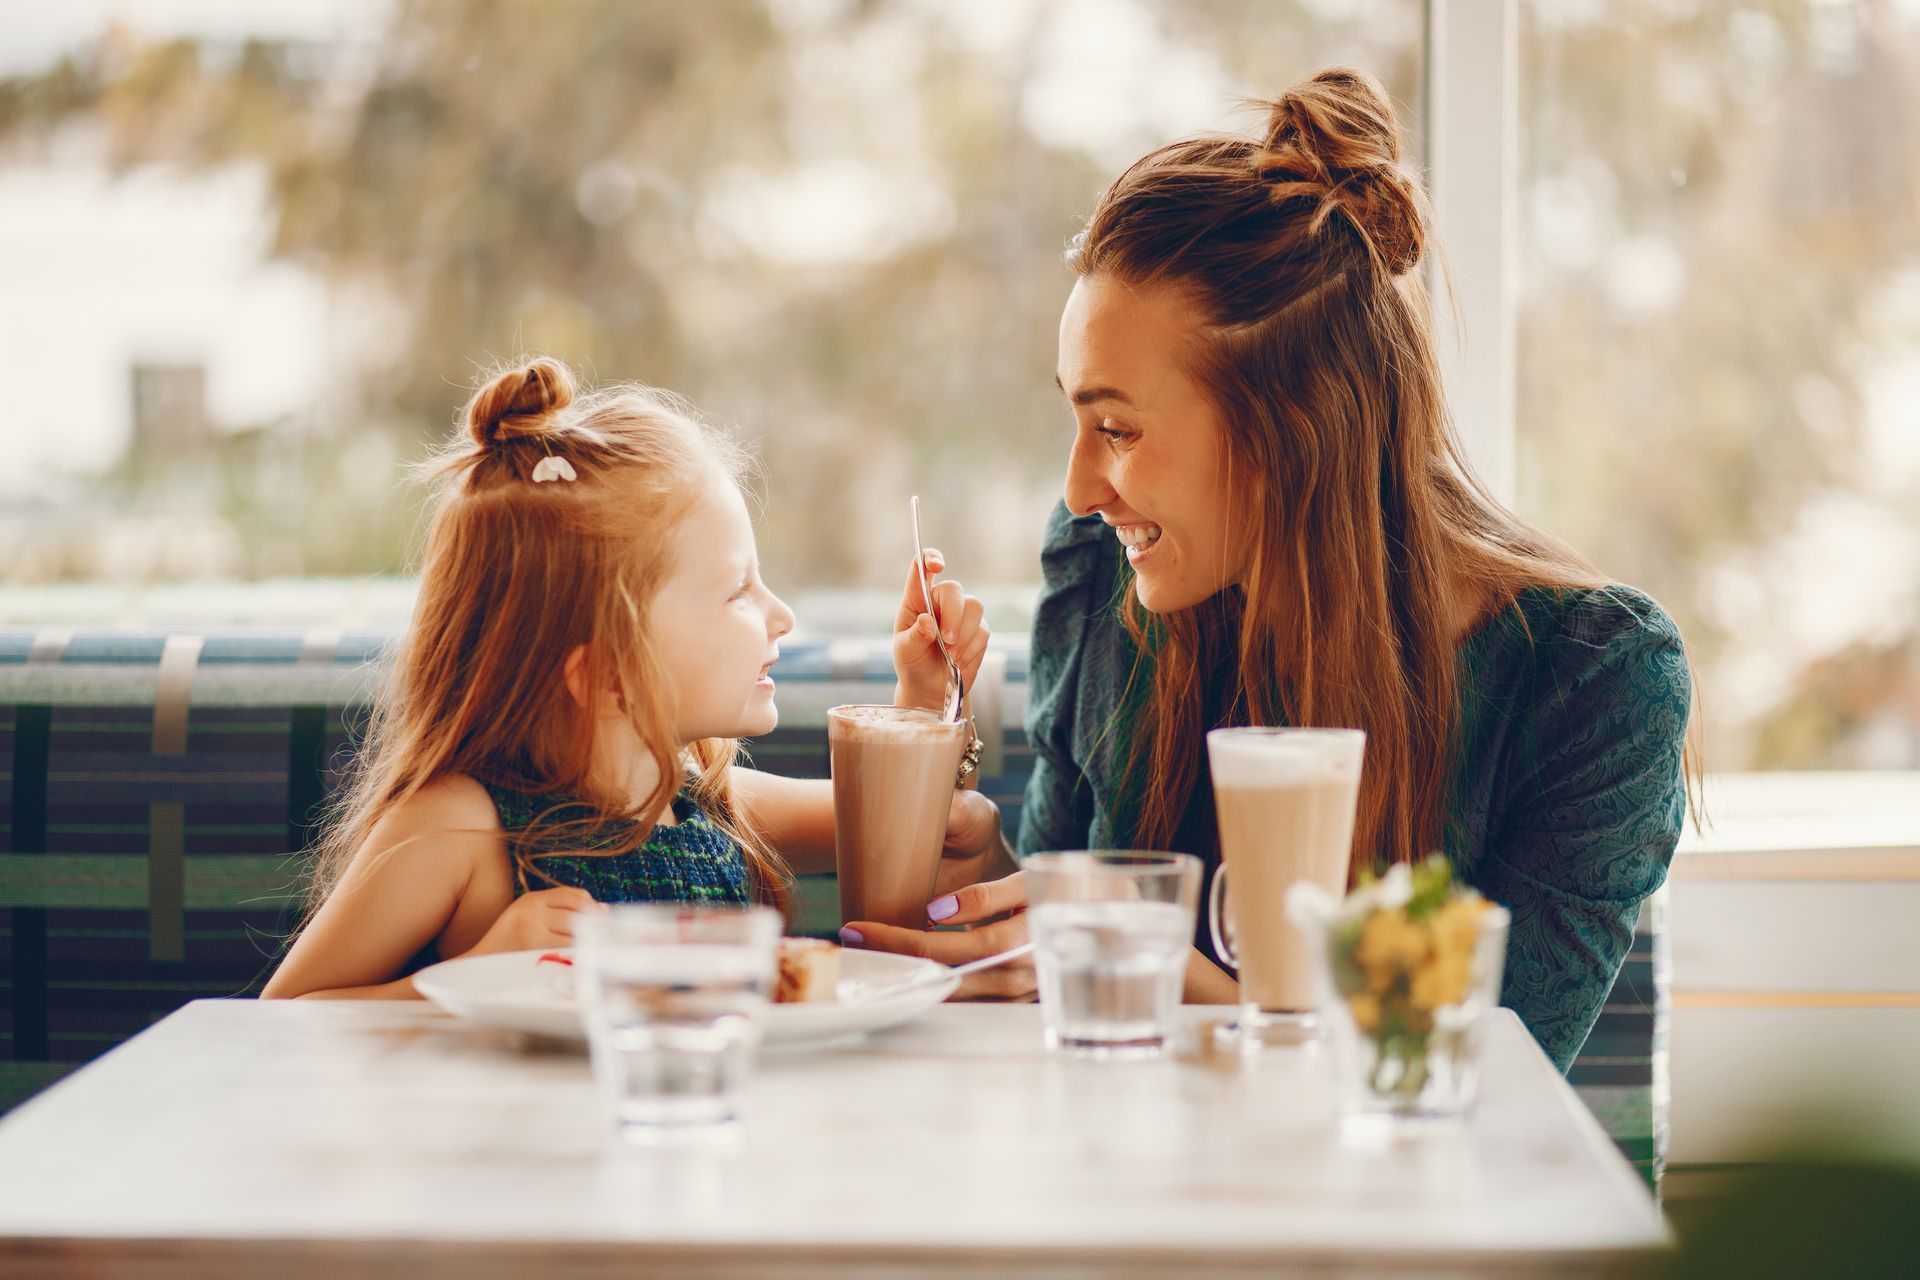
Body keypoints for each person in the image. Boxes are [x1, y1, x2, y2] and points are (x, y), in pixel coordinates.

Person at [847, 67, 1693, 1070]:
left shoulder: (1592, 684)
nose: (1080, 490)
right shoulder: (1106, 580)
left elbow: (1477, 1077)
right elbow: (1069, 967)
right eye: (1075, 420)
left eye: (1116, 427)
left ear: (1289, 429)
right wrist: (980, 872)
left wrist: (1148, 944)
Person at [264, 357, 992, 999]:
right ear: (609, 673)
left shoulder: (701, 800)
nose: (781, 616)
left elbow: (898, 829)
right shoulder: (458, 825)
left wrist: (926, 701)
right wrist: (473, 975)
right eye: (740, 590)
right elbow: (280, 1022)